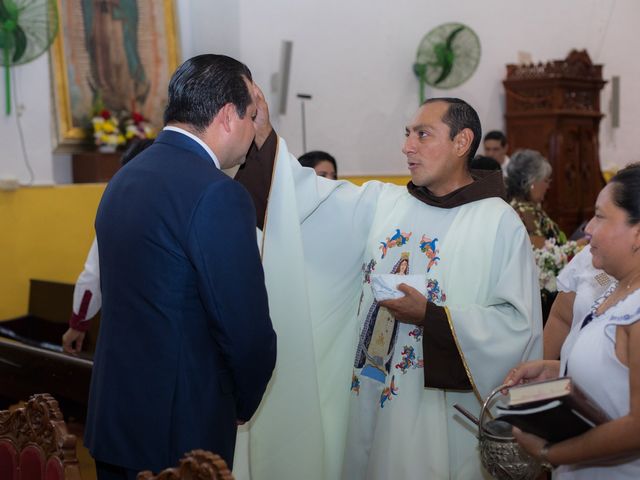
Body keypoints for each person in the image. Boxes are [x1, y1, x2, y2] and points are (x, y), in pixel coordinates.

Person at [235, 96, 542, 479]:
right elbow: (305, 201)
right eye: (407, 134)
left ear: (462, 142)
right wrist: (262, 133)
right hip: (369, 395)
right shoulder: (385, 202)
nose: (407, 146)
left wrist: (432, 318)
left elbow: (518, 326)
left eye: (423, 134)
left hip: (439, 415)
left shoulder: (498, 222)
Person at [84, 54, 277, 480]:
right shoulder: (216, 194)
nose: (252, 134)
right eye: (252, 117)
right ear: (228, 116)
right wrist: (241, 402)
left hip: (116, 418)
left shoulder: (126, 177)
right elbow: (245, 330)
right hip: (180, 431)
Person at [504, 163, 640, 478]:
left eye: (601, 216)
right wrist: (555, 368)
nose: (587, 228)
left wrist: (549, 452)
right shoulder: (616, 292)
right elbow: (617, 371)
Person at [62, 138, 154, 354]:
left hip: (126, 329)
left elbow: (93, 274)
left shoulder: (118, 210)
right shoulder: (185, 204)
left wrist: (78, 323)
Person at [543, 245, 613, 359]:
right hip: (571, 370)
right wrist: (541, 367)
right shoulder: (590, 254)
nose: (588, 229)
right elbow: (561, 319)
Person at [506, 149, 566, 248]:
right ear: (531, 182)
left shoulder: (522, 206)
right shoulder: (525, 211)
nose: (548, 186)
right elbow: (543, 252)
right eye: (546, 180)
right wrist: (575, 246)